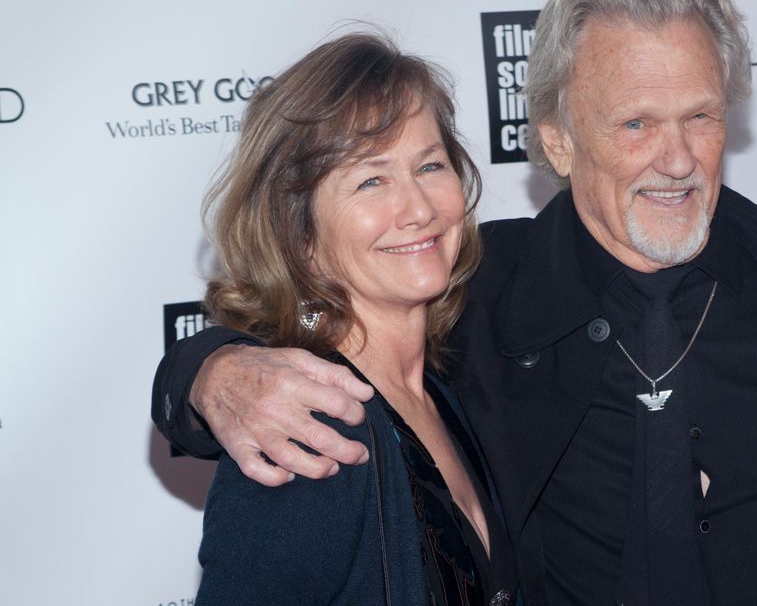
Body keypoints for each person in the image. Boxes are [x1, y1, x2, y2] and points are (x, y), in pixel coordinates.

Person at [155, 0, 757, 606]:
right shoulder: (471, 294)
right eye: (636, 123)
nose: (677, 160)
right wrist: (212, 372)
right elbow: (298, 341)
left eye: (700, 117)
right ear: (558, 141)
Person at [183, 31, 517, 605]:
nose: (418, 208)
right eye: (371, 180)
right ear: (302, 235)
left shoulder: (443, 396)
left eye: (430, 165)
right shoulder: (305, 430)